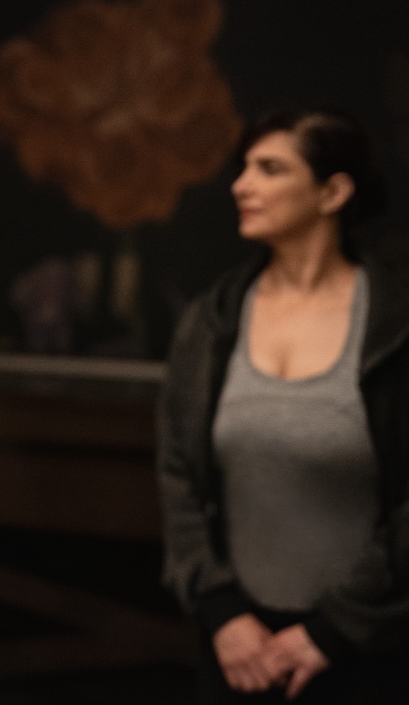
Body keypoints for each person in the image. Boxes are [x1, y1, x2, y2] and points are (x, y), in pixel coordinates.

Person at [157, 105, 409, 703]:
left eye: (270, 169)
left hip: (366, 654)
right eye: (244, 167)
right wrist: (222, 612)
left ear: (333, 193)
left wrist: (335, 630)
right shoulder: (213, 319)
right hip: (239, 651)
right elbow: (178, 475)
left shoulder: (394, 326)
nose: (241, 185)